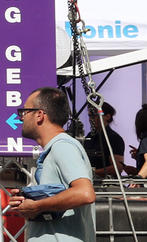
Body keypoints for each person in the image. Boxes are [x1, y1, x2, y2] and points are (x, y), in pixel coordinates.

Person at [9, 87, 96, 242]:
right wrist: (27, 203)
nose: (21, 118)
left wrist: (36, 206)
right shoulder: (56, 148)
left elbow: (85, 193)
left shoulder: (63, 147)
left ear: (39, 115)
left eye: (24, 112)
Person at [83, 102, 125, 177]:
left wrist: (92, 172)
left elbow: (117, 168)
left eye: (94, 116)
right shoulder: (89, 137)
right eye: (90, 116)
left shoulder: (114, 138)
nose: (91, 120)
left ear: (107, 117)